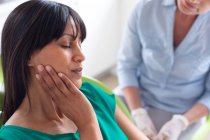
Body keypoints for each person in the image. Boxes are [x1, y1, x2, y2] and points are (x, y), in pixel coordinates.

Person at [0, 0, 149, 140]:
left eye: (80, 43)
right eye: (66, 44)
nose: (81, 56)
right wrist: (87, 123)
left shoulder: (92, 94)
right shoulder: (13, 137)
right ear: (27, 56)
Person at [117, 0, 210, 139]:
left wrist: (181, 122)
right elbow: (127, 65)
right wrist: (138, 113)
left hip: (185, 111)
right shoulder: (146, 7)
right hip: (136, 97)